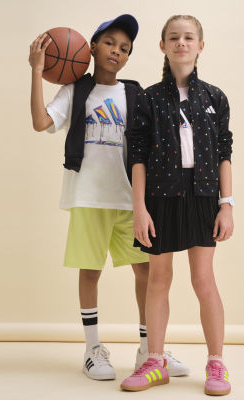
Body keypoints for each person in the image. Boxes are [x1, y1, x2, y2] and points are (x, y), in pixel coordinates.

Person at [28, 14, 189, 381]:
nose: (117, 51)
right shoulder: (76, 91)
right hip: (88, 197)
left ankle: (149, 349)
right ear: (91, 48)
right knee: (90, 271)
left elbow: (152, 145)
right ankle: (92, 349)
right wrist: (37, 71)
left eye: (125, 48)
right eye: (110, 43)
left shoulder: (135, 94)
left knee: (145, 271)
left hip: (130, 200)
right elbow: (40, 122)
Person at [121, 15, 234, 396]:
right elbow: (137, 156)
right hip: (160, 197)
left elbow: (224, 153)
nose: (181, 43)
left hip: (203, 196)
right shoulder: (148, 98)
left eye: (188, 37)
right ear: (163, 46)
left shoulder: (215, 97)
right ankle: (155, 361)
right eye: (173, 38)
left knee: (203, 279)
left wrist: (226, 204)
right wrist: (140, 208)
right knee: (158, 279)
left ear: (200, 46)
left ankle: (216, 363)